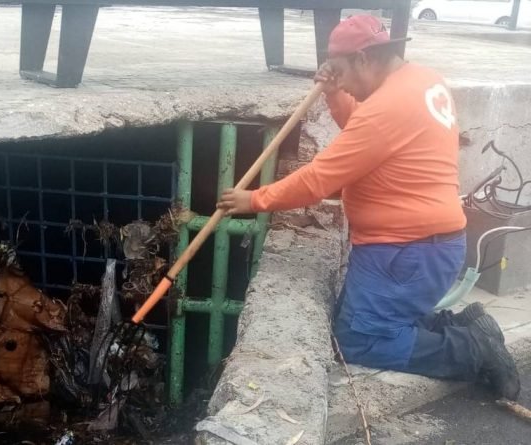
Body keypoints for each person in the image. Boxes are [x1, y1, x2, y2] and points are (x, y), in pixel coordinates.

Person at [217, 15, 520, 400]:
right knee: (362, 318)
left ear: (363, 59)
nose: (339, 80)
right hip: (422, 246)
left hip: (408, 251)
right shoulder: (423, 80)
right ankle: (467, 326)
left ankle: (474, 350)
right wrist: (333, 93)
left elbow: (318, 180)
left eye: (341, 72)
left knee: (360, 341)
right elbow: (367, 128)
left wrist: (254, 199)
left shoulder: (388, 108)